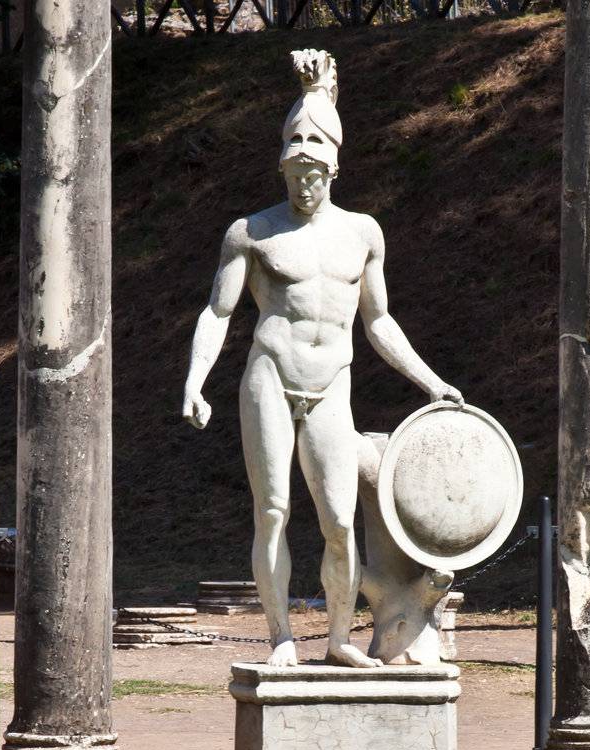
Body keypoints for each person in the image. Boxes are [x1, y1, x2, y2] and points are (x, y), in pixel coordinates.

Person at [182, 50, 461, 668]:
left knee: (339, 519)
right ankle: (281, 635)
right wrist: (195, 382)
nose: (302, 176)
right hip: (270, 377)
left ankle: (337, 640)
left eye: (314, 161)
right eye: (294, 160)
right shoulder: (251, 231)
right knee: (274, 509)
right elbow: (219, 314)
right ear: (283, 163)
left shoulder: (363, 232)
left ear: (333, 166)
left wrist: (431, 382)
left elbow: (380, 322)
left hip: (333, 383)